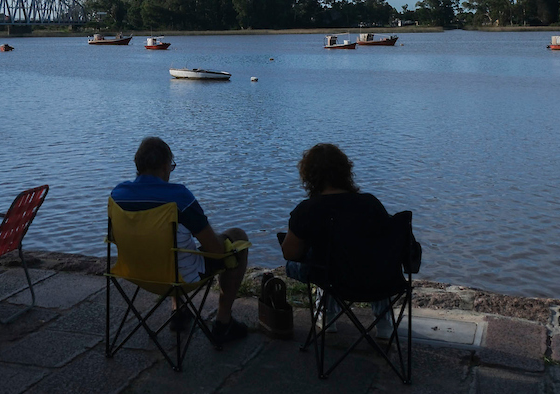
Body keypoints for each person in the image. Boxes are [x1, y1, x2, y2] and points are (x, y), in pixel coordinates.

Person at [110, 136, 250, 343]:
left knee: (171, 245)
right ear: (166, 166)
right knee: (237, 236)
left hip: (134, 272)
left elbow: (115, 237)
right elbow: (215, 250)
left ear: (137, 165)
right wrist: (221, 239)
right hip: (179, 279)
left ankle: (179, 310)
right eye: (171, 167)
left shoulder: (117, 195)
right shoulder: (180, 197)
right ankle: (223, 322)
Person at [279, 142, 392, 336]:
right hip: (375, 281)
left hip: (333, 279)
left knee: (310, 262)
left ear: (309, 177)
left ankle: (327, 314)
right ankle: (384, 325)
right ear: (345, 172)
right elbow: (391, 247)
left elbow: (289, 253)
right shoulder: (370, 204)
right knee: (376, 257)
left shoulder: (307, 210)